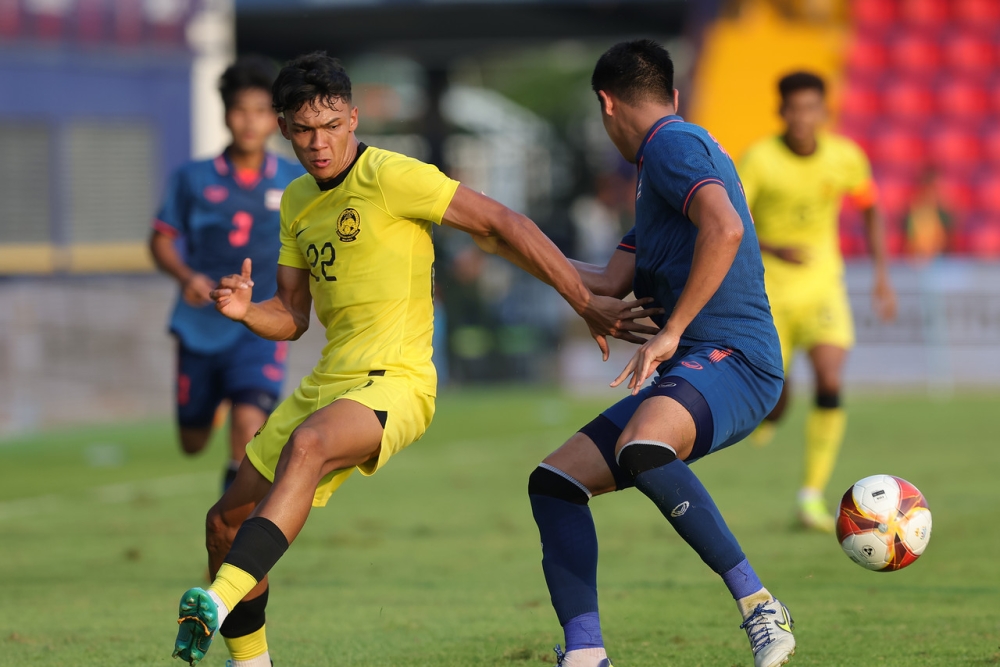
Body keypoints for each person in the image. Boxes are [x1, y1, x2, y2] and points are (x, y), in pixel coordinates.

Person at [170, 52, 656, 667]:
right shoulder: (295, 200)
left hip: (395, 382)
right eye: (303, 130)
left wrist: (584, 298)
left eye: (330, 127)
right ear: (284, 129)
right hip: (328, 383)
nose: (319, 144)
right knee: (224, 525)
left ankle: (215, 600)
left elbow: (501, 221)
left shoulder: (392, 176)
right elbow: (292, 317)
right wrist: (245, 311)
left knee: (310, 447)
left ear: (351, 118)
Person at [496, 40, 795, 667]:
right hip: (700, 363)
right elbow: (606, 283)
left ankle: (760, 605)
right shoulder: (661, 170)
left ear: (606, 103)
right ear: (671, 93)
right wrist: (515, 247)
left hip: (735, 358)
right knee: (555, 482)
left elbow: (727, 228)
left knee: (644, 447)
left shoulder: (671, 145)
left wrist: (669, 331)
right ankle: (585, 654)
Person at [740, 72, 897, 532]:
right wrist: (773, 247)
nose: (803, 118)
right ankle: (772, 414)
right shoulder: (760, 160)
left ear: (824, 112)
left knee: (829, 377)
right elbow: (735, 219)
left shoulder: (846, 157)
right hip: (770, 292)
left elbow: (870, 208)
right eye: (794, 109)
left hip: (823, 286)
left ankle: (811, 496)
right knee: (777, 397)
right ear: (781, 112)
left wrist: (882, 276)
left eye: (812, 108)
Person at [150, 55, 304, 492]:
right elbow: (160, 240)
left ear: (275, 119)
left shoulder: (296, 179)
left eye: (260, 111)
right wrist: (187, 278)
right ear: (225, 115)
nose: (250, 122)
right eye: (241, 111)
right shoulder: (192, 178)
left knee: (248, 427)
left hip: (260, 323)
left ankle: (231, 541)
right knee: (193, 441)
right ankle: (212, 403)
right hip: (201, 323)